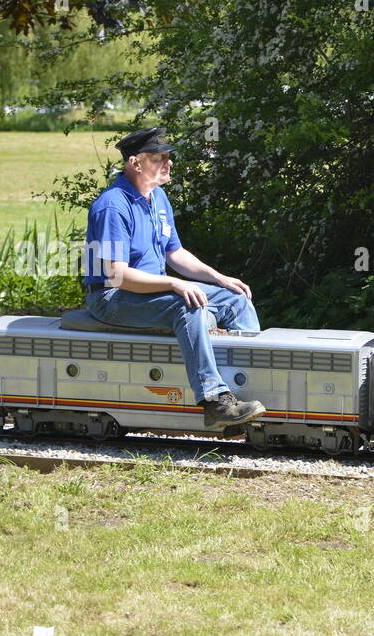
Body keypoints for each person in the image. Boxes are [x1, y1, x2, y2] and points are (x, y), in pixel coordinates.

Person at [82, 126, 266, 429]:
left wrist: (219, 278)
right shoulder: (112, 206)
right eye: (159, 158)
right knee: (188, 307)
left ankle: (250, 391)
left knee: (236, 299)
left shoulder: (158, 198)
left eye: (169, 157)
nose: (169, 163)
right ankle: (215, 401)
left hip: (147, 291)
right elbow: (117, 276)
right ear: (135, 163)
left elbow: (175, 254)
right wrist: (172, 283)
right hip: (112, 297)